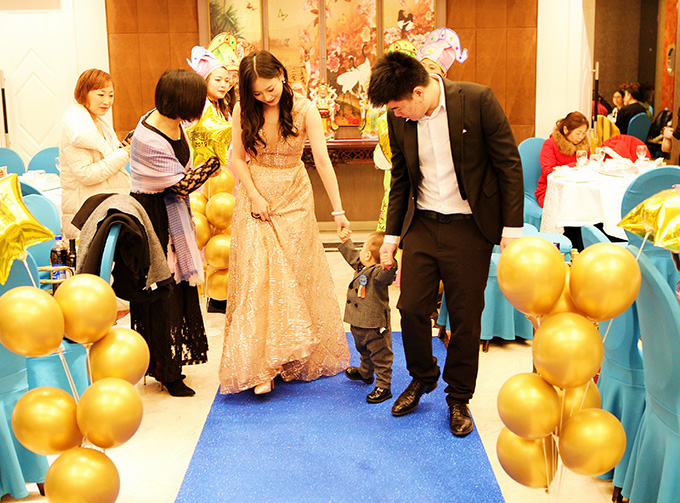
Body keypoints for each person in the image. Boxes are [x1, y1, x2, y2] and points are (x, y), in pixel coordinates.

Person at [367, 52, 523, 436]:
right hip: (422, 223)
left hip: (470, 226)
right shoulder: (399, 117)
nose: (396, 114)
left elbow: (508, 164)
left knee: (466, 317)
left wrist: (512, 229)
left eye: (398, 106)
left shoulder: (478, 100)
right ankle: (423, 376)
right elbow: (401, 177)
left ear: (419, 93)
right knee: (411, 308)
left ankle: (459, 397)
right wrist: (391, 237)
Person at [218, 51, 351, 395]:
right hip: (256, 194)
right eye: (257, 93)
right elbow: (237, 157)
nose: (265, 97)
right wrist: (254, 195)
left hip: (295, 195)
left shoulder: (306, 110)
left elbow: (322, 161)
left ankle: (292, 357)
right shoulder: (242, 109)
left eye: (270, 89)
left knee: (295, 274)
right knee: (259, 276)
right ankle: (261, 366)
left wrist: (338, 211)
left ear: (281, 73)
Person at [129, 69, 221, 397]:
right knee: (161, 293)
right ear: (180, 101)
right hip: (152, 217)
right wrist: (213, 165)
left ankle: (170, 366)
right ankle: (165, 371)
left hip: (171, 213)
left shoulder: (175, 123)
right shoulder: (150, 137)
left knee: (177, 293)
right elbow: (181, 184)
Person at [187, 45, 239, 313]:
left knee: (225, 227)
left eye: (226, 80)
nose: (223, 84)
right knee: (206, 230)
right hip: (207, 179)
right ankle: (211, 293)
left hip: (226, 178)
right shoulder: (199, 108)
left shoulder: (223, 107)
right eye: (217, 79)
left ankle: (223, 293)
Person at [59, 68, 131, 239]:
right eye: (101, 94)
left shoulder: (98, 121)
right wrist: (123, 155)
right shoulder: (79, 129)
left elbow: (106, 158)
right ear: (84, 93)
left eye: (111, 95)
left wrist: (122, 150)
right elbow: (86, 174)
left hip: (103, 207)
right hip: (86, 211)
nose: (107, 101)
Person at [338, 229, 397, 404]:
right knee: (363, 350)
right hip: (358, 322)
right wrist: (346, 241)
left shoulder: (378, 272)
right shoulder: (362, 265)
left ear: (369, 255)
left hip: (374, 326)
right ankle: (365, 372)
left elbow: (386, 275)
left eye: (362, 248)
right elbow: (352, 257)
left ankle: (384, 386)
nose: (360, 251)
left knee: (380, 356)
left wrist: (390, 265)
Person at [535, 111, 589, 207]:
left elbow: (587, 165)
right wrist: (574, 165)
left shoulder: (583, 146)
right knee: (577, 207)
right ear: (565, 129)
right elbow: (547, 171)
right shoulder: (550, 144)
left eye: (584, 133)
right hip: (552, 190)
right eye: (578, 133)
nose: (581, 137)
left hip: (577, 189)